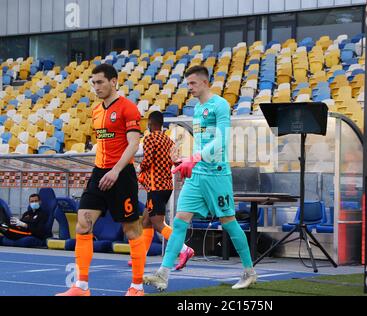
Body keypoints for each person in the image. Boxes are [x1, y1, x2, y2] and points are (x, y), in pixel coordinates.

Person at [143, 65, 257, 291]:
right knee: (178, 222)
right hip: (197, 175)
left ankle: (249, 271)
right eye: (188, 84)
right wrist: (184, 159)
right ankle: (163, 274)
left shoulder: (220, 105)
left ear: (205, 82)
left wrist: (194, 158)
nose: (190, 88)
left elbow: (221, 141)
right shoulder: (196, 109)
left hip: (216, 175)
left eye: (193, 84)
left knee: (229, 223)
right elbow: (204, 144)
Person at [56, 64, 146, 296]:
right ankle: (81, 286)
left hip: (122, 174)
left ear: (114, 81)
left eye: (100, 82)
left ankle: (137, 287)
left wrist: (115, 171)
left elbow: (134, 145)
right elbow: (104, 144)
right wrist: (101, 170)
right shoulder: (96, 111)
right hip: (99, 173)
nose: (96, 87)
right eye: (93, 83)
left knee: (131, 230)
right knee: (83, 224)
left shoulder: (128, 108)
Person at [127, 110, 195, 269]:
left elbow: (148, 160)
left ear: (150, 124)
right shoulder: (169, 140)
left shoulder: (150, 138)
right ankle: (140, 256)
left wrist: (139, 168)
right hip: (166, 186)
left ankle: (184, 249)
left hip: (155, 187)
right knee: (146, 221)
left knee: (157, 223)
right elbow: (174, 161)